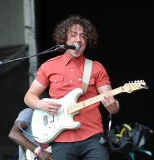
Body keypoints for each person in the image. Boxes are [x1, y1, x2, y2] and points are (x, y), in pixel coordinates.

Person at [24, 14, 120, 160]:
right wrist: (41, 104)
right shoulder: (49, 66)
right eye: (73, 35)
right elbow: (29, 96)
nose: (78, 39)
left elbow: (111, 102)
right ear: (64, 39)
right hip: (60, 139)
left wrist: (113, 106)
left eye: (83, 36)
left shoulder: (96, 68)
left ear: (87, 40)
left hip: (92, 137)